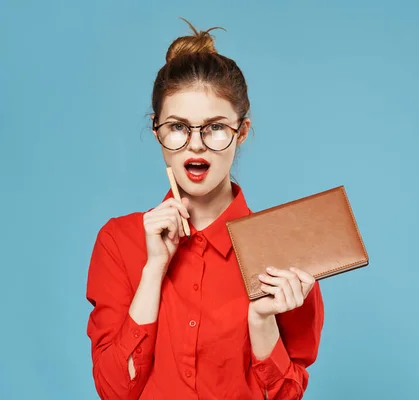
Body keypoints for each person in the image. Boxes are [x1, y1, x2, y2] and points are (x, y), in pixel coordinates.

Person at [85, 19, 324, 400]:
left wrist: (262, 322)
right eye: (178, 127)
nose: (195, 145)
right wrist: (153, 270)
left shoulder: (283, 253)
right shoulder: (118, 241)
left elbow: (285, 395)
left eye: (214, 127)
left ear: (241, 131)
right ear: (157, 131)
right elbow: (115, 391)